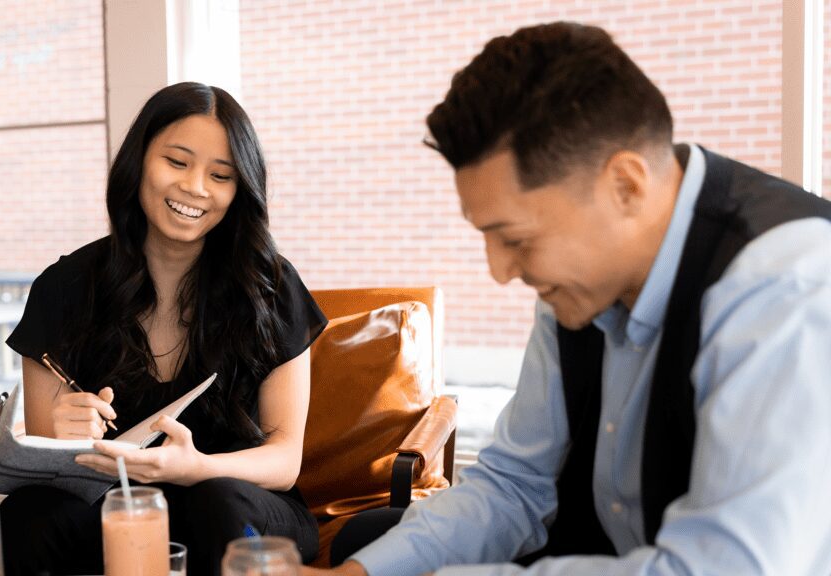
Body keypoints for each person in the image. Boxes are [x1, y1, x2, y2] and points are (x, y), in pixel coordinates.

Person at [305, 21, 831, 576]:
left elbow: (722, 568)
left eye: (517, 239)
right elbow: (514, 484)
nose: (500, 270)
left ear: (625, 185)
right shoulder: (581, 286)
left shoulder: (784, 288)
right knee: (369, 542)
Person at [0, 82, 327, 576]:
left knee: (215, 502)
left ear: (240, 191)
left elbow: (284, 462)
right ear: (139, 162)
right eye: (176, 162)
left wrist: (197, 468)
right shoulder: (64, 288)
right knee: (29, 514)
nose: (196, 187)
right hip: (118, 504)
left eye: (221, 175)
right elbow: (50, 464)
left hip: (238, 501)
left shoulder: (271, 288)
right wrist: (64, 432)